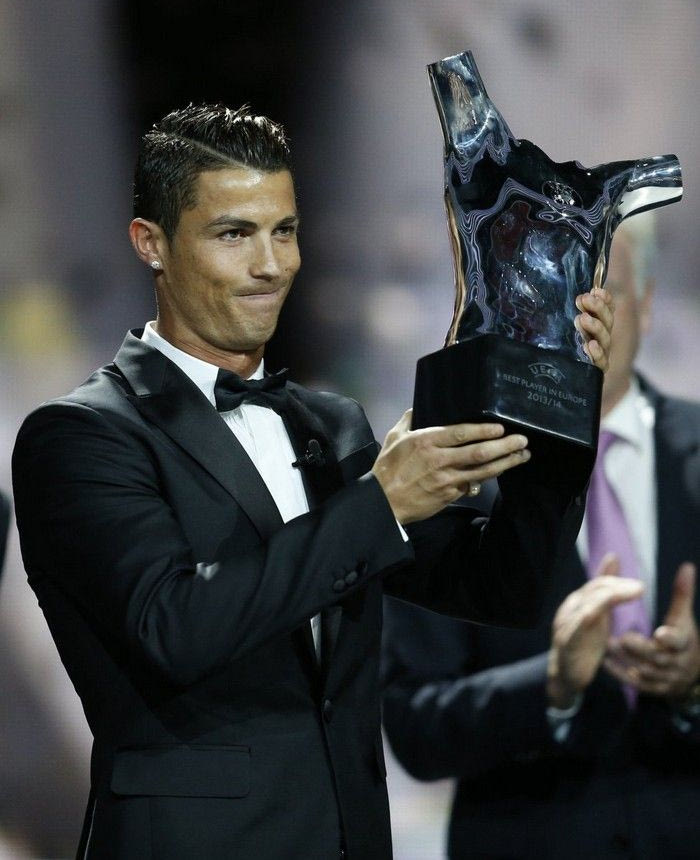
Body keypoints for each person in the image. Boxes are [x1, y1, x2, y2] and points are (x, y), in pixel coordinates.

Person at [12, 104, 613, 860]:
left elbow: (503, 588)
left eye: (285, 231)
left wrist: (557, 397)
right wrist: (381, 504)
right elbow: (172, 629)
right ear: (151, 243)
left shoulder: (331, 426)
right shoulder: (81, 436)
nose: (271, 265)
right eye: (234, 234)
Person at [382, 215, 700, 860]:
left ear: (644, 301)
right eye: (543, 287)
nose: (570, 314)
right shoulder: (451, 468)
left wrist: (694, 683)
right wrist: (551, 684)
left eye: (594, 288)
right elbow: (416, 729)